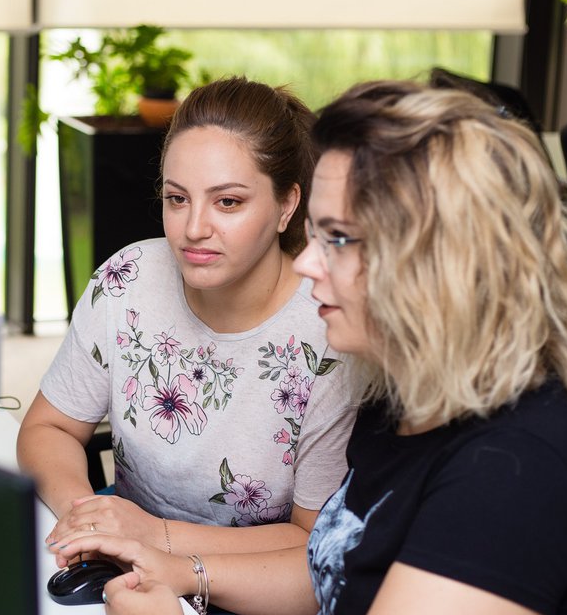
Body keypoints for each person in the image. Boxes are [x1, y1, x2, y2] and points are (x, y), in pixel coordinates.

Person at [51, 79, 567, 615]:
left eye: (339, 239)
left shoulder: (515, 476)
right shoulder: (407, 403)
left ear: (438, 263)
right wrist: (179, 573)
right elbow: (327, 572)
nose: (305, 264)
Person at [18, 77, 357, 583]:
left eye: (228, 202)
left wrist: (155, 538)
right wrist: (88, 518)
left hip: (245, 589)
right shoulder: (127, 278)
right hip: (122, 556)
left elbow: (311, 543)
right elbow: (49, 428)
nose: (193, 228)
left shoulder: (333, 327)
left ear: (288, 205)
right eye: (177, 199)